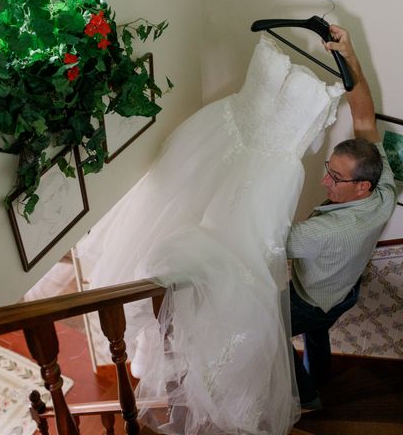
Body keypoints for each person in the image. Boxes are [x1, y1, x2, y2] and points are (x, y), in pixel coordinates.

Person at [77, 34, 346, 434]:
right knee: (172, 227)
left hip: (265, 181)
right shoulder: (272, 39)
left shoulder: (327, 93)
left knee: (240, 268)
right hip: (222, 136)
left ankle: (213, 370)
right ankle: (177, 350)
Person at [287, 25, 397, 409]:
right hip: (345, 293)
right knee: (318, 332)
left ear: (360, 187)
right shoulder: (383, 189)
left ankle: (308, 398)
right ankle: (321, 374)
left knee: (270, 333)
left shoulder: (324, 232)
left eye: (334, 178)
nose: (323, 180)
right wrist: (348, 56)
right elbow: (363, 111)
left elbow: (267, 239)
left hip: (308, 299)